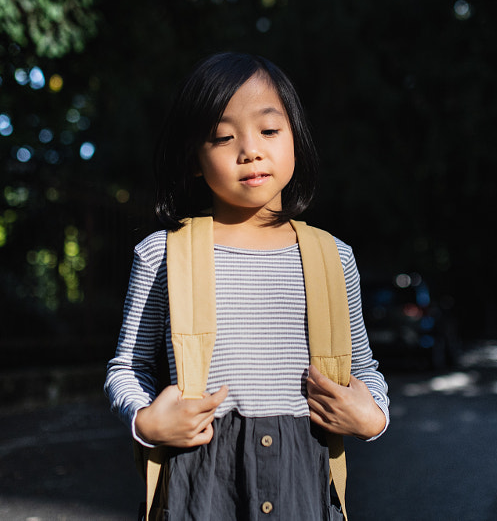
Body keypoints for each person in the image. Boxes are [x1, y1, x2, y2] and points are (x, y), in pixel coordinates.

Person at [105, 52, 390, 519]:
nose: (250, 150)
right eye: (222, 137)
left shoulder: (331, 257)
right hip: (199, 485)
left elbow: (364, 368)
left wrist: (373, 418)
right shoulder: (164, 253)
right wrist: (146, 419)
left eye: (270, 131)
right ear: (195, 159)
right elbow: (129, 366)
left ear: (296, 138)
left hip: (307, 480)